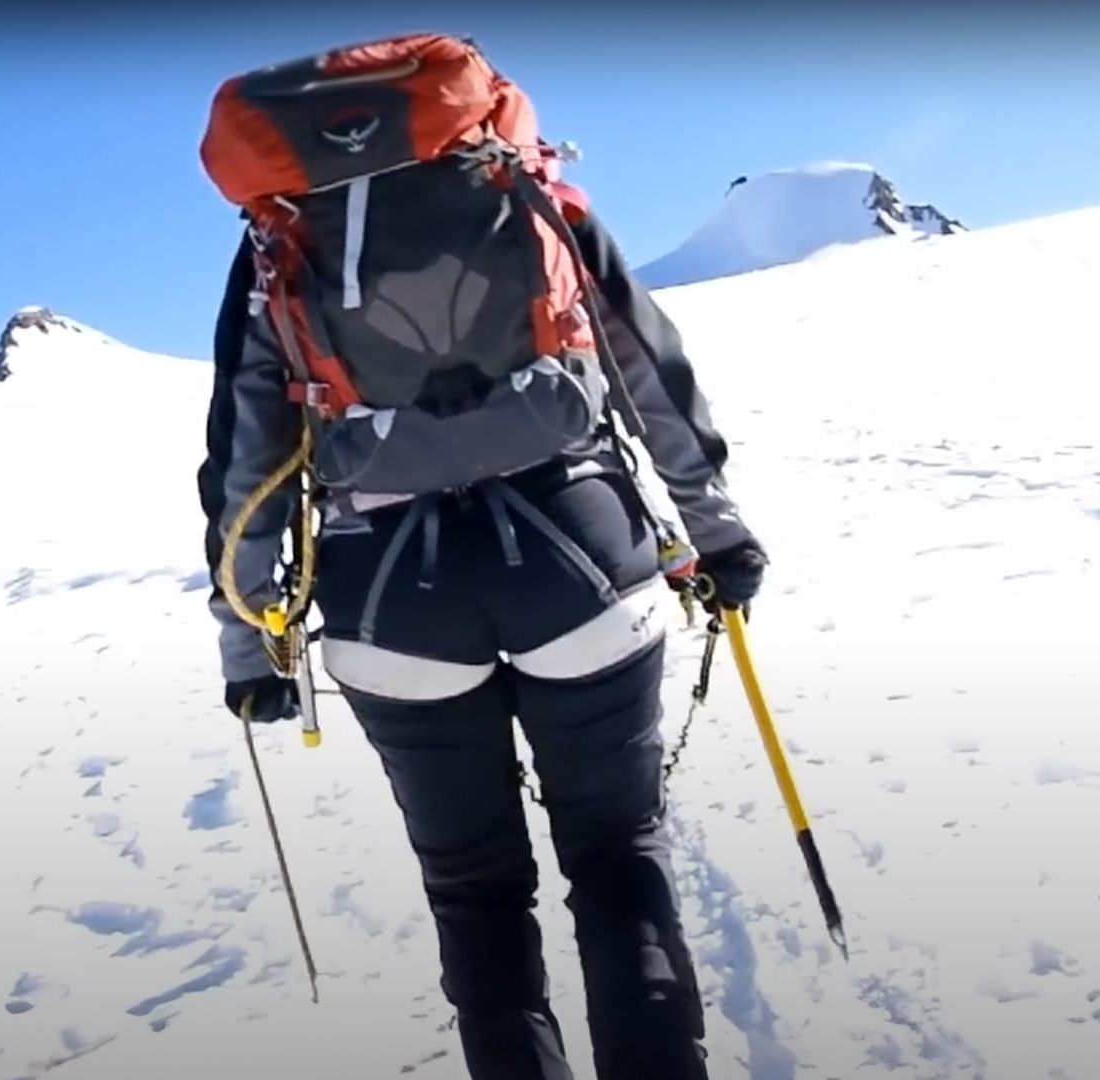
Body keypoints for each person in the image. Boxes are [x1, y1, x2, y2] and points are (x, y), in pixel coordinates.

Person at [195, 33, 766, 1080]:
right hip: (581, 559)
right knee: (615, 850)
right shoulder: (525, 192)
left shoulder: (280, 246)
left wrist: (248, 647)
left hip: (388, 603)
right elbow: (647, 366)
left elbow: (246, 461)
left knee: (471, 887)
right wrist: (715, 531)